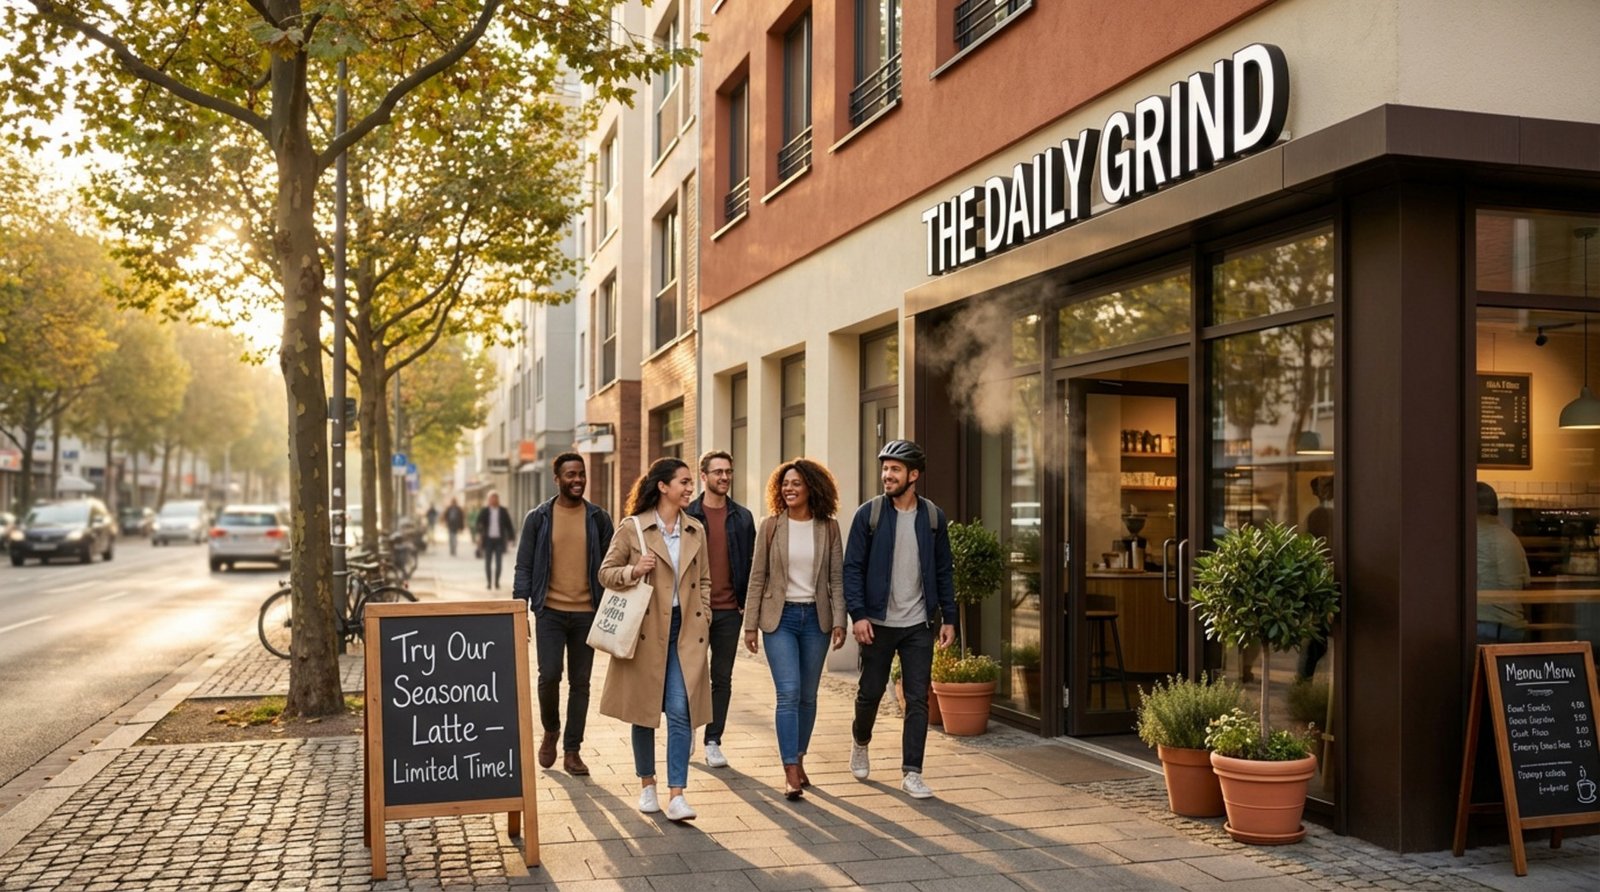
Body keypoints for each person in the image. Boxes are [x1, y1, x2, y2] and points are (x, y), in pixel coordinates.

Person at [598, 458, 713, 823]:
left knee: (681, 711)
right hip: (646, 629)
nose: (689, 488)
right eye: (683, 482)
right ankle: (647, 784)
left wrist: (704, 615)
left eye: (690, 482)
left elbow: (705, 580)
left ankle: (677, 794)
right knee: (645, 712)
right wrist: (634, 570)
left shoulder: (695, 529)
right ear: (663, 486)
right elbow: (605, 573)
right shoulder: (632, 528)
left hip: (684, 629)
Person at [843, 439, 957, 800]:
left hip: (918, 624)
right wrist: (858, 615)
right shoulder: (870, 514)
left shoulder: (933, 518)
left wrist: (949, 619)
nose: (887, 475)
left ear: (914, 475)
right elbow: (852, 569)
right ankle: (861, 741)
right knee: (870, 693)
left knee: (918, 698)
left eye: (894, 469)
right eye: (885, 468)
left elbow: (944, 571)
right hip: (877, 623)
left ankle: (912, 772)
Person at [743, 458, 847, 800]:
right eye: (785, 483)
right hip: (780, 619)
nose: (789, 488)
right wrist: (750, 626)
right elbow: (757, 577)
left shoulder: (828, 528)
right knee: (788, 693)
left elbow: (836, 578)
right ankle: (789, 769)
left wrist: (839, 620)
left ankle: (800, 758)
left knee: (808, 696)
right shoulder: (770, 526)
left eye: (796, 483)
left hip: (815, 619)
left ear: (812, 488)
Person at [512, 453, 615, 777]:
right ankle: (551, 730)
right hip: (550, 613)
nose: (577, 480)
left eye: (581, 474)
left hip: (587, 614)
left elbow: (612, 565)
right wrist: (520, 608)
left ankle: (573, 750)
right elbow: (524, 566)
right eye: (570, 474)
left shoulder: (599, 518)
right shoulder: (539, 518)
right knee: (549, 675)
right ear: (556, 478)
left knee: (581, 683)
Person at [685, 450, 756, 770]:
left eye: (728, 471)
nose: (725, 477)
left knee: (722, 677)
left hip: (729, 610)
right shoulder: (687, 514)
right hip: (693, 609)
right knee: (689, 675)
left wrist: (747, 606)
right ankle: (685, 729)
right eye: (718, 472)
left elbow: (753, 566)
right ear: (704, 476)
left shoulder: (743, 517)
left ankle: (713, 740)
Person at [1475, 482, 1530, 643]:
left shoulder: (1469, 536)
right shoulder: (1511, 538)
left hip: (1483, 625)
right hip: (1513, 628)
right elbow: (1526, 583)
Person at [474, 491, 516, 589]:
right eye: (491, 498)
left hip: (499, 541)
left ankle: (496, 582)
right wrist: (480, 532)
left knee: (499, 563)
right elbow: (478, 523)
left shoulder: (503, 511)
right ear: (488, 500)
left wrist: (511, 538)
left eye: (495, 498)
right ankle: (489, 583)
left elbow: (509, 525)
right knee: (488, 563)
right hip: (488, 540)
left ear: (498, 499)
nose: (493, 500)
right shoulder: (484, 511)